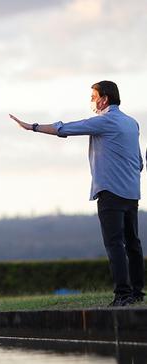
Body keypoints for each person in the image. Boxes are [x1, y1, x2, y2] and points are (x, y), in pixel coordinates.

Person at [10, 80, 144, 307]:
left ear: (104, 99)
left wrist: (31, 127)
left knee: (114, 244)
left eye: (93, 97)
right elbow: (139, 162)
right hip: (132, 192)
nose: (91, 101)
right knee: (133, 244)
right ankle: (137, 293)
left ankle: (123, 294)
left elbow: (65, 129)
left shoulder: (104, 121)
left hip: (110, 192)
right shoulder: (132, 123)